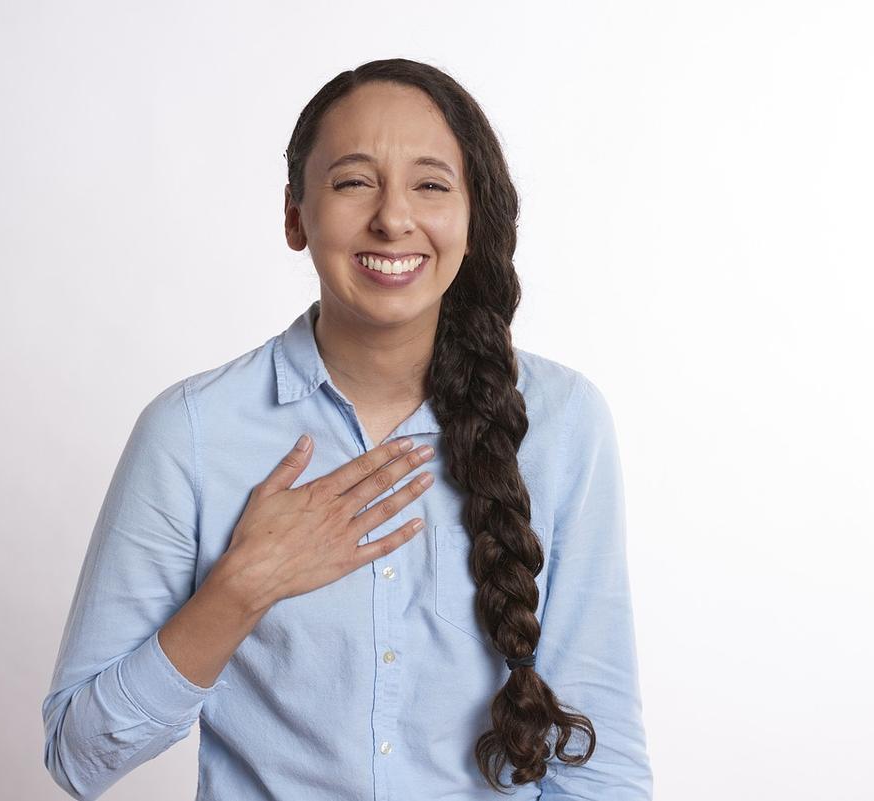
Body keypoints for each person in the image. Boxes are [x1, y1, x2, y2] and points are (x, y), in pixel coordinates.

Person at [41, 57, 653, 801]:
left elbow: (600, 763)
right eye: (354, 181)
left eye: (430, 184)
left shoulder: (562, 422)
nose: (393, 218)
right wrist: (241, 588)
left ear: (472, 216)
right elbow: (79, 755)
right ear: (296, 215)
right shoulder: (191, 433)